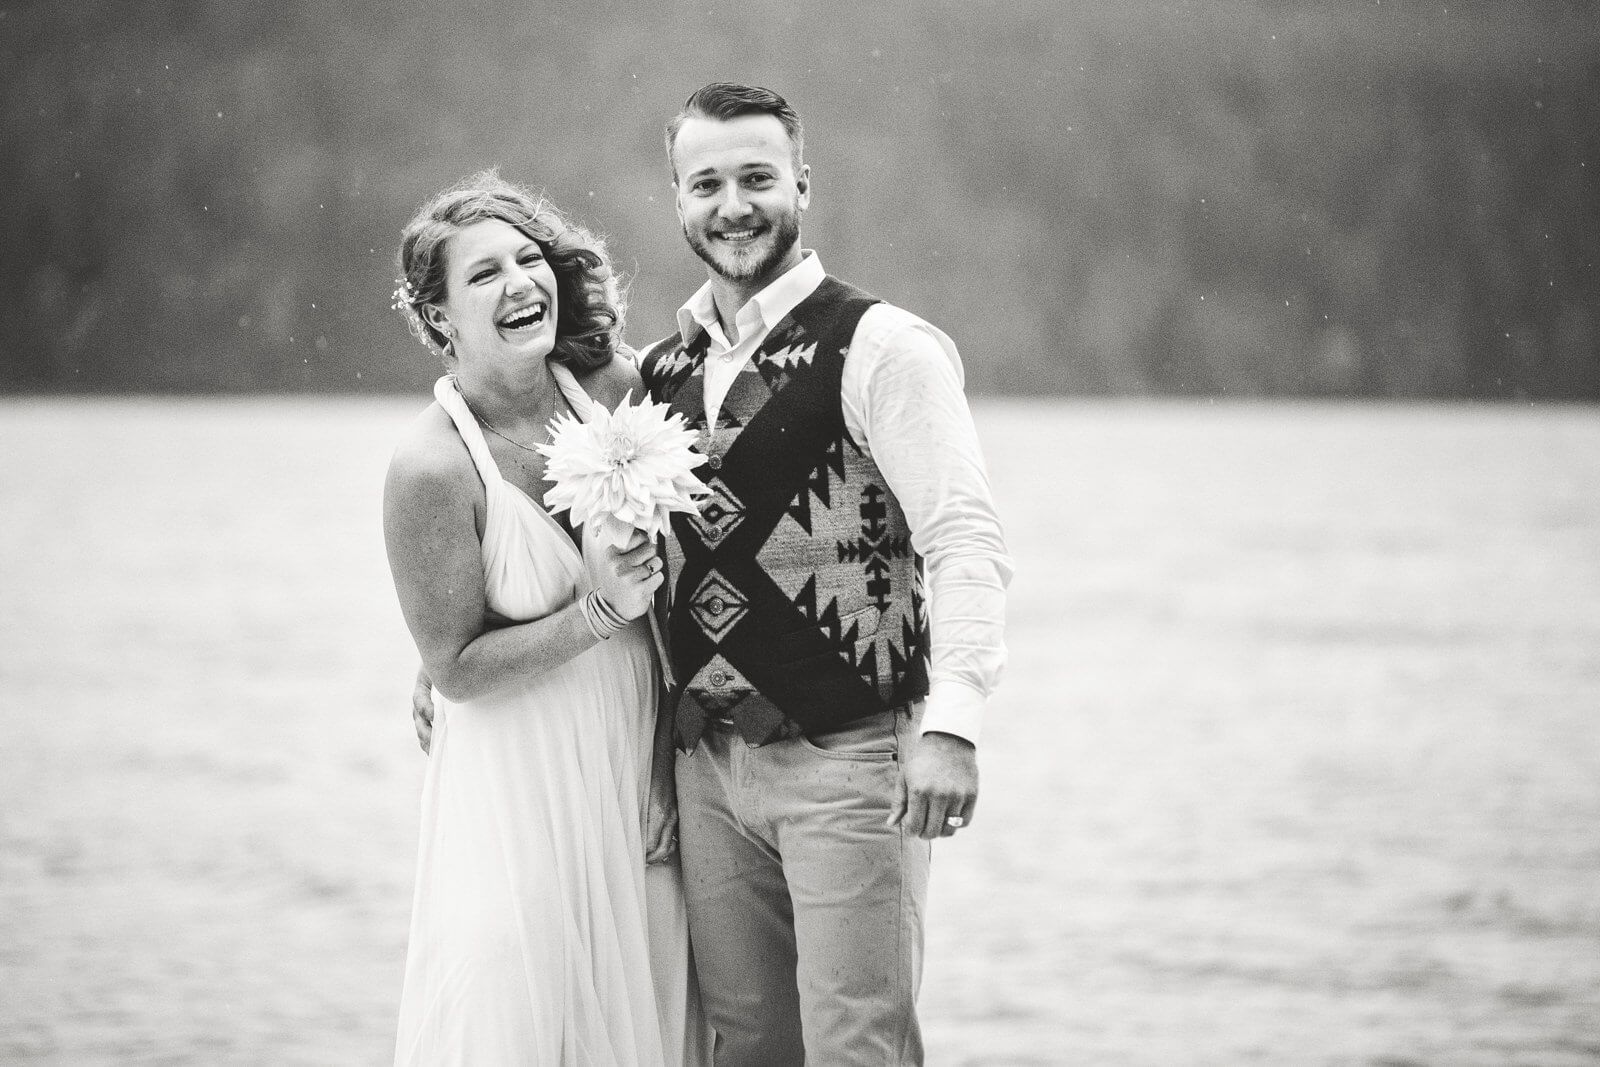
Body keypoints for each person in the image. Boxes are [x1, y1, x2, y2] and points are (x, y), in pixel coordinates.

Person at [639, 83, 1012, 1065]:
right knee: (747, 1047)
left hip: (851, 759)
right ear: (676, 199)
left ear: (802, 183)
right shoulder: (658, 374)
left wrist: (954, 724)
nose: (733, 205)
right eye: (706, 182)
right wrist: (450, 655)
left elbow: (963, 535)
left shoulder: (883, 346)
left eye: (757, 177)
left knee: (858, 1046)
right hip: (706, 766)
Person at [383, 171, 708, 1066]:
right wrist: (593, 612)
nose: (521, 282)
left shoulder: (617, 389)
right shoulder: (431, 469)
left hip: (637, 762)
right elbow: (454, 666)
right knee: (521, 1013)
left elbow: (695, 580)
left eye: (530, 259)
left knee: (649, 1009)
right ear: (438, 314)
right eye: (483, 274)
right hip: (517, 788)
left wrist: (666, 763)